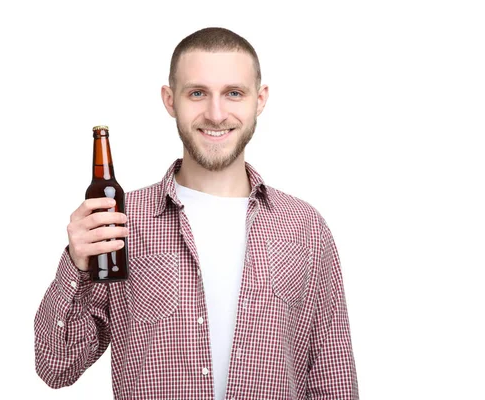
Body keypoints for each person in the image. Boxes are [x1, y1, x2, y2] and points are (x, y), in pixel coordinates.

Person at [34, 27, 359, 399]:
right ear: (170, 100)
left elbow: (332, 378)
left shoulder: (305, 228)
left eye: (233, 93)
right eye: (197, 93)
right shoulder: (121, 221)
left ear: (260, 99)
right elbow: (56, 366)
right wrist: (75, 263)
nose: (216, 114)